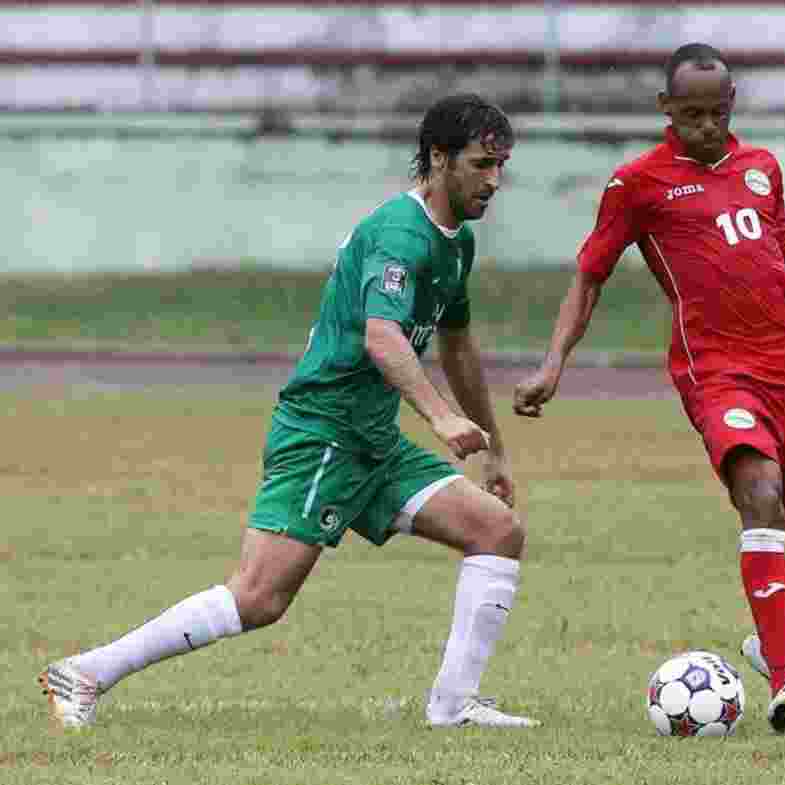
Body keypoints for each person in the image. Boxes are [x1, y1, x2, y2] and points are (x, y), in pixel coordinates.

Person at [40, 93, 539, 730]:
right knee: (258, 597)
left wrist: (494, 448)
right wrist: (441, 418)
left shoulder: (456, 243)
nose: (494, 181)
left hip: (372, 439)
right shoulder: (400, 233)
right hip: (323, 433)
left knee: (496, 531)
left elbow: (459, 344)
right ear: (439, 159)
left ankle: (453, 706)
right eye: (481, 164)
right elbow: (382, 337)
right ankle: (85, 672)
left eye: (501, 166)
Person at [513, 44, 785, 735]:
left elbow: (783, 261)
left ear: (731, 105)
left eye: (716, 113)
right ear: (666, 108)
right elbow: (589, 275)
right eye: (691, 114)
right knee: (760, 492)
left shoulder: (763, 168)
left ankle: (770, 646)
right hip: (718, 370)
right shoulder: (637, 184)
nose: (706, 126)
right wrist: (552, 364)